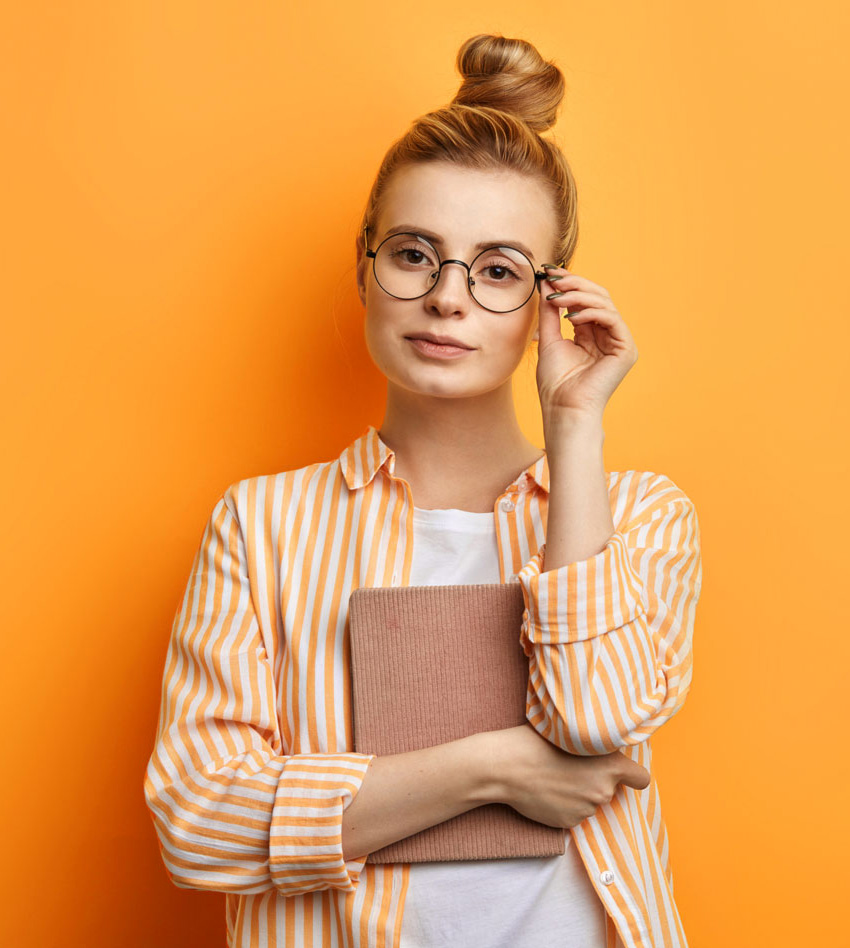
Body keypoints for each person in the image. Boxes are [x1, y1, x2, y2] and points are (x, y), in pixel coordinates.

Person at [143, 32, 703, 948]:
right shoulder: (262, 526)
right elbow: (198, 822)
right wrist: (491, 767)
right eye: (415, 253)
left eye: (496, 271)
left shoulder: (640, 517)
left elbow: (595, 717)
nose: (449, 298)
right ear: (364, 266)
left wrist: (574, 428)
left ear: (547, 303)